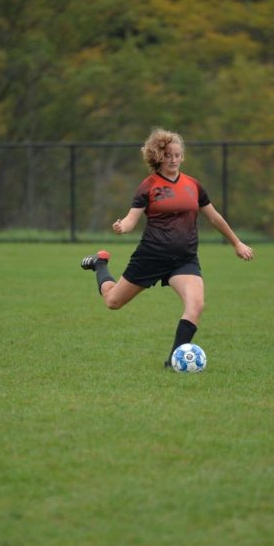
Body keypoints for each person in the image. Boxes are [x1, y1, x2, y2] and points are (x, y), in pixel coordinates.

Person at [80, 127, 254, 368]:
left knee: (196, 305)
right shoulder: (148, 185)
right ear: (158, 157)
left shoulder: (193, 185)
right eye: (168, 155)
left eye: (177, 154)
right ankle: (100, 264)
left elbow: (214, 217)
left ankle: (173, 361)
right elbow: (132, 219)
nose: (173, 159)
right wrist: (123, 226)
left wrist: (236, 242)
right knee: (112, 301)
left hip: (184, 260)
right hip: (151, 256)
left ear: (183, 156)